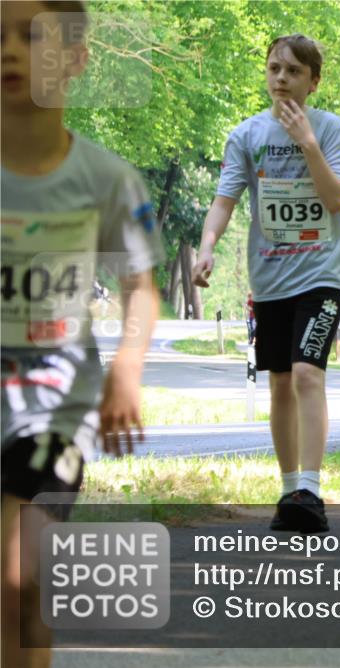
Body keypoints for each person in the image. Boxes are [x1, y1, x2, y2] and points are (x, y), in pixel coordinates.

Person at [2, 3, 162, 666]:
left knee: (23, 576)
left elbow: (140, 287)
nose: (10, 49)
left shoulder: (107, 179)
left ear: (75, 59)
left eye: (31, 35)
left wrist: (126, 368)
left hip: (55, 411)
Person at [192, 33, 340, 532]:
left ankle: (311, 487)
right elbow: (224, 200)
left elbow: (335, 200)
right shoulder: (246, 135)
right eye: (274, 69)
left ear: (314, 80)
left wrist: (308, 142)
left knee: (307, 373)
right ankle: (290, 491)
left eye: (293, 71)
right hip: (270, 278)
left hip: (321, 274)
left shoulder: (331, 130)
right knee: (281, 382)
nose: (281, 78)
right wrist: (206, 247)